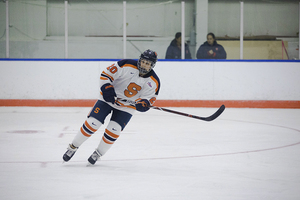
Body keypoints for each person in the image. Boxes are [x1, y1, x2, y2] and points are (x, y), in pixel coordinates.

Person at [62, 49, 160, 165]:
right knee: (92, 123)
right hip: (107, 100)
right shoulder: (125, 65)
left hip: (126, 107)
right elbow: (106, 74)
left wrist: (143, 105)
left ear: (152, 65)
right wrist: (107, 89)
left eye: (148, 63)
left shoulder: (154, 82)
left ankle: (97, 153)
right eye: (143, 61)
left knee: (114, 130)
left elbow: (147, 101)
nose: (144, 65)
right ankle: (73, 147)